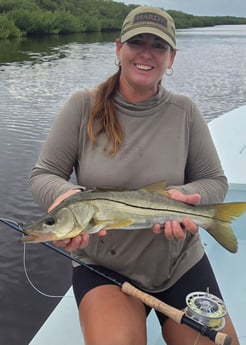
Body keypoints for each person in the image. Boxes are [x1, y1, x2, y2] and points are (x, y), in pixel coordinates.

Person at [29, 6, 239, 345]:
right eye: (136, 42)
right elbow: (44, 174)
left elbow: (215, 182)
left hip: (178, 262)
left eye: (158, 46)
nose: (146, 53)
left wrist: (183, 196)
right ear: (118, 48)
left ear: (172, 57)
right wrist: (67, 197)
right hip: (103, 267)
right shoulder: (83, 106)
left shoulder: (185, 112)